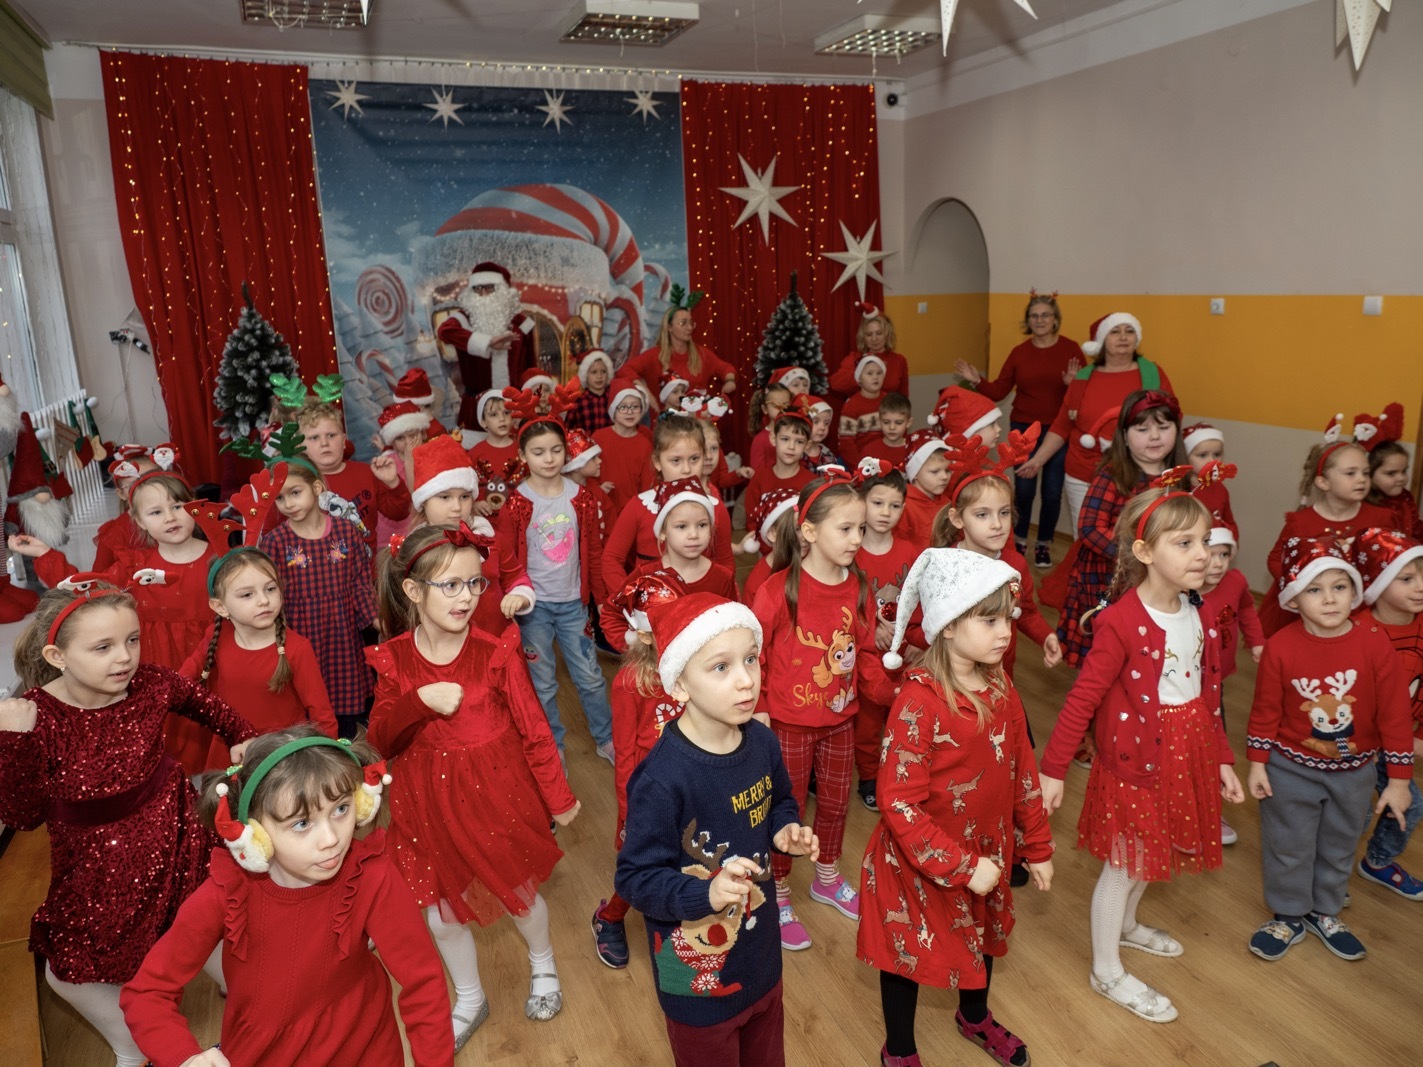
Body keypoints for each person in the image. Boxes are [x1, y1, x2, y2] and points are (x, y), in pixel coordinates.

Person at [0, 582, 255, 1067]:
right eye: (103, 647)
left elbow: (204, 704)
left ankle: (256, 1004)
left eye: (132, 640)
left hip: (176, 836)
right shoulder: (38, 717)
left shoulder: (150, 683)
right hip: (98, 870)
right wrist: (12, 742)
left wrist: (242, 735)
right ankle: (130, 1043)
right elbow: (22, 816)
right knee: (68, 971)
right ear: (57, 656)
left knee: (206, 922)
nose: (125, 657)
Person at [119, 726, 454, 1065]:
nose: (331, 838)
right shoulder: (226, 893)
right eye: (302, 824)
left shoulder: (371, 876)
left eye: (341, 809)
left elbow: (424, 985)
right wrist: (184, 1057)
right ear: (255, 834)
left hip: (366, 1049)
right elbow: (146, 993)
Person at [370, 524, 580, 1044]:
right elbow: (381, 739)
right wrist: (419, 702)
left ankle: (543, 962)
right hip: (425, 804)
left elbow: (534, 729)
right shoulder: (395, 659)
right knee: (441, 913)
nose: (466, 597)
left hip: (495, 796)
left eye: (474, 583)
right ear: (413, 590)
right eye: (451, 585)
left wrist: (558, 797)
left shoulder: (495, 651)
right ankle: (469, 996)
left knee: (520, 895)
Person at [1040, 489, 1243, 1024]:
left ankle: (1128, 928)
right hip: (1136, 759)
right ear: (1146, 552)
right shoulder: (1121, 622)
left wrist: (1222, 757)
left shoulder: (1197, 609)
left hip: (1187, 749)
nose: (1203, 554)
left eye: (1205, 540)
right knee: (1126, 863)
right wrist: (1053, 770)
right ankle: (1106, 971)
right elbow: (1082, 698)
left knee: (1157, 846)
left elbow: (1209, 692)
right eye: (1185, 543)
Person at [863, 549, 1055, 1067]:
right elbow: (898, 803)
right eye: (989, 621)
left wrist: (1036, 846)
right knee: (905, 952)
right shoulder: (918, 701)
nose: (1005, 633)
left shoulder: (1001, 685)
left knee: (982, 935)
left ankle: (974, 1016)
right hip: (920, 860)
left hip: (986, 849)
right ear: (948, 625)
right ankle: (899, 1049)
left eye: (1007, 619)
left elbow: (1022, 770)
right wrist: (964, 867)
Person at [615, 592, 817, 1067]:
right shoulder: (661, 780)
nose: (746, 679)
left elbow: (781, 800)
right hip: (697, 984)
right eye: (721, 667)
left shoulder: (762, 742)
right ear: (680, 685)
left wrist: (784, 828)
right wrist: (704, 893)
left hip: (761, 959)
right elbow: (634, 878)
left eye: (750, 659)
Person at [1245, 538, 1413, 962]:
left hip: (1355, 772)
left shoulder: (1374, 643)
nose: (1329, 598)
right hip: (1289, 768)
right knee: (1288, 844)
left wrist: (1398, 781)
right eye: (1315, 589)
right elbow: (1265, 711)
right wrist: (1258, 764)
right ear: (1293, 599)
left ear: (1354, 592)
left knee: (1339, 844)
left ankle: (1324, 911)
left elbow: (1395, 714)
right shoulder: (1281, 646)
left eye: (1340, 587)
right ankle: (1288, 915)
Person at [752, 476, 895, 950]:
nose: (857, 539)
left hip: (840, 720)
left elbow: (866, 652)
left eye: (861, 529)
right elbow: (755, 655)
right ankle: (778, 892)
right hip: (787, 726)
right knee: (786, 810)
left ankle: (827, 877)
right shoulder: (778, 590)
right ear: (809, 531)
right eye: (846, 528)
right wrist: (759, 708)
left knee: (835, 804)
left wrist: (891, 694)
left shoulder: (858, 586)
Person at [12, 464, 226, 772]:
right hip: (156, 666)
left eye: (178, 506)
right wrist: (45, 552)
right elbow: (86, 589)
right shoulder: (134, 567)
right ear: (138, 520)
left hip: (212, 663)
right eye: (156, 512)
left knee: (212, 731)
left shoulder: (220, 559)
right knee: (166, 745)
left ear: (194, 507)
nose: (170, 517)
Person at [497, 414, 616, 760]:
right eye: (538, 452)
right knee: (543, 683)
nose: (548, 459)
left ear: (566, 452)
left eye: (555, 450)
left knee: (590, 677)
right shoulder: (517, 503)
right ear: (523, 456)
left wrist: (601, 599)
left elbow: (593, 553)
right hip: (532, 609)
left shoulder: (582, 498)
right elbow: (506, 559)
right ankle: (553, 745)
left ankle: (606, 738)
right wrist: (510, 599)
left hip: (573, 606)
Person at [592, 571, 687, 970]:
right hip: (649, 792)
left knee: (687, 859)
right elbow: (626, 754)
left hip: (691, 784)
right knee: (644, 865)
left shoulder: (693, 668)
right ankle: (610, 916)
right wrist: (628, 809)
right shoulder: (630, 682)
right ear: (645, 635)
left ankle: (684, 927)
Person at [1057, 390, 1183, 668]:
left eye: (1163, 427)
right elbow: (1090, 527)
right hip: (1108, 580)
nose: (1154, 436)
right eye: (1143, 429)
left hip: (1160, 581)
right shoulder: (1113, 475)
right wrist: (1137, 555)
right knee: (1108, 654)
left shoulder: (1180, 479)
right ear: (1124, 436)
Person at [1017, 313, 1176, 533]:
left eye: (1129, 331)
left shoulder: (1153, 374)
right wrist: (1038, 460)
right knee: (1086, 537)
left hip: (1138, 475)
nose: (1123, 337)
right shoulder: (1083, 377)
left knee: (1137, 536)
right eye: (1115, 331)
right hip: (1083, 474)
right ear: (1101, 340)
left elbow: (1172, 421)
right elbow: (1062, 425)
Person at [956, 293, 1082, 568]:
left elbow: (1083, 396)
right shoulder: (1019, 352)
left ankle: (1044, 544)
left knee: (1052, 492)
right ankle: (1019, 539)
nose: (1039, 320)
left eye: (1045, 315)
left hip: (1058, 431)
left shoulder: (1070, 349)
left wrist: (1072, 384)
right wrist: (976, 380)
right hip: (1023, 430)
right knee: (1023, 492)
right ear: (1028, 321)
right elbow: (999, 390)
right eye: (1034, 316)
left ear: (1055, 319)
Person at [183, 545, 338, 769]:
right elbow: (186, 674)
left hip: (280, 754)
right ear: (220, 607)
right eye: (247, 594)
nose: (264, 600)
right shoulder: (217, 636)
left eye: (270, 589)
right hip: (230, 749)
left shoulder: (297, 648)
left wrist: (327, 762)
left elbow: (322, 714)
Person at [259, 459, 378, 737]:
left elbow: (360, 584)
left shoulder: (346, 531)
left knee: (348, 717)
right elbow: (271, 595)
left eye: (295, 492)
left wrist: (376, 620)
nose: (288, 503)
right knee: (307, 711)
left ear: (316, 488)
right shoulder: (275, 542)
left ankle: (348, 756)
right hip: (301, 639)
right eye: (280, 498)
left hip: (343, 639)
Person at [934, 427, 1063, 681]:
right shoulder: (944, 565)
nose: (997, 524)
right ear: (958, 519)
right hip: (953, 675)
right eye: (982, 514)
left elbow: (1026, 611)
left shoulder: (1014, 565)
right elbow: (922, 624)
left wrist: (1046, 636)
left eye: (1004, 513)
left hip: (1000, 672)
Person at [1259, 420, 1394, 638]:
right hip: (1311, 608)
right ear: (1323, 483)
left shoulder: (1380, 519)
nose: (1361, 479)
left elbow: (1391, 564)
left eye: (1365, 473)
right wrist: (1302, 586)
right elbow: (1276, 559)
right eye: (1350, 473)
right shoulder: (1301, 522)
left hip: (1359, 608)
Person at [1349, 528, 1423, 899]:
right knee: (1354, 814)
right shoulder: (1357, 632)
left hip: (1396, 744)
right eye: (1406, 579)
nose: (1420, 587)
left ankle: (1377, 862)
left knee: (1411, 805)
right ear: (1377, 584)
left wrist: (1417, 738)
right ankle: (1327, 870)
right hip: (1356, 745)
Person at [602, 414, 733, 596]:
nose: (687, 469)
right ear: (657, 462)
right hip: (651, 608)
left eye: (694, 459)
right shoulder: (639, 506)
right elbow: (611, 559)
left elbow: (726, 563)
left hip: (702, 605)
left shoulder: (715, 507)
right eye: (676, 460)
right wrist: (630, 599)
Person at [854, 464, 919, 811]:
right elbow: (843, 607)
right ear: (862, 502)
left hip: (904, 653)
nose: (885, 512)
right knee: (867, 724)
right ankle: (868, 776)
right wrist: (872, 629)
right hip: (866, 655)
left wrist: (915, 640)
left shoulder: (910, 552)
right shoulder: (851, 552)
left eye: (894, 506)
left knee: (903, 716)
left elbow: (921, 602)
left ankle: (900, 773)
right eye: (877, 503)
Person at [1198, 523, 1263, 847]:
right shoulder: (1180, 590)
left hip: (1214, 684)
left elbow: (1247, 609)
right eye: (1210, 555)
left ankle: (1210, 808)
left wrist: (1257, 641)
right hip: (1175, 687)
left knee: (1215, 745)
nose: (1218, 563)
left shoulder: (1235, 582)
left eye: (1224, 555)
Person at [295, 396, 411, 553]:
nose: (324, 443)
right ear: (301, 445)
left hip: (367, 565)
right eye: (314, 438)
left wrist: (393, 483)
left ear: (344, 440)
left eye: (331, 435)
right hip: (319, 565)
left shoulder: (366, 473)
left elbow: (399, 513)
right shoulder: (298, 484)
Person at [437, 261, 537, 426]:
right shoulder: (463, 319)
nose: (483, 294)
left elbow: (531, 368)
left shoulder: (521, 324)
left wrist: (530, 403)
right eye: (477, 288)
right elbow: (444, 331)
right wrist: (487, 342)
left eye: (489, 288)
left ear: (503, 291)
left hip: (515, 407)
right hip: (476, 407)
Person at [616, 289, 738, 405]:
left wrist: (729, 381)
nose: (689, 327)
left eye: (691, 323)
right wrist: (645, 391)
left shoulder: (701, 354)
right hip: (665, 419)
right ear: (669, 327)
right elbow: (625, 371)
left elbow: (726, 369)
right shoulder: (654, 355)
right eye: (683, 323)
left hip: (696, 419)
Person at [741, 407, 815, 530]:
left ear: (807, 445)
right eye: (785, 439)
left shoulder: (812, 483)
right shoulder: (759, 477)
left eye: (799, 442)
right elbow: (751, 520)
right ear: (773, 439)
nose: (791, 446)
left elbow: (813, 524)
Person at [1358, 402, 1423, 539]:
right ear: (1369, 473)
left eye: (1404, 471)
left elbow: (1416, 529)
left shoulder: (1405, 498)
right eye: (1391, 473)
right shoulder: (1363, 505)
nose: (1401, 478)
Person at [594, 384, 655, 513]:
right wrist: (597, 489)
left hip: (632, 511)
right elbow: (586, 474)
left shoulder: (645, 445)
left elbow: (647, 486)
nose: (629, 412)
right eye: (623, 407)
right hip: (601, 508)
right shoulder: (599, 438)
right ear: (614, 410)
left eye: (635, 406)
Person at [93, 449, 157, 569]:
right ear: (121, 493)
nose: (145, 489)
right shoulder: (114, 533)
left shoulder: (177, 517)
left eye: (153, 480)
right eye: (134, 485)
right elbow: (98, 576)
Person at [831, 304, 909, 398]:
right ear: (863, 337)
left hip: (888, 406)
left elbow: (903, 397)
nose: (874, 339)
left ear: (887, 334)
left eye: (879, 333)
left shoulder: (899, 360)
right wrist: (861, 374)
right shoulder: (855, 358)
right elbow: (835, 384)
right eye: (869, 334)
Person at [738, 487, 799, 604]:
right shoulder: (759, 582)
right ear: (772, 534)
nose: (805, 536)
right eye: (797, 529)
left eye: (807, 527)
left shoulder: (813, 564)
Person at [897, 430, 953, 549]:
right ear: (915, 473)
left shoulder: (947, 503)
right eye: (935, 471)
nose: (944, 477)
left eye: (948, 470)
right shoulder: (903, 506)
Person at [1181, 423, 1236, 532]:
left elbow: (1230, 523)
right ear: (1186, 457)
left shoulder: (1220, 489)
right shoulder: (1177, 490)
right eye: (1203, 455)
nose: (1212, 461)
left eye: (1217, 454)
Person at [838, 353, 888, 463]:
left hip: (887, 459)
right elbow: (846, 443)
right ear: (859, 379)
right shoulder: (851, 406)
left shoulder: (890, 401)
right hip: (862, 462)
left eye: (879, 373)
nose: (875, 377)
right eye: (869, 373)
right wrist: (859, 467)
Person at [567, 348, 616, 435]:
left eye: (603, 371)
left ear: (609, 373)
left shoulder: (614, 398)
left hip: (611, 443)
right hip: (587, 443)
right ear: (585, 374)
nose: (599, 376)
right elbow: (567, 430)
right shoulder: (577, 402)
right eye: (594, 372)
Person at [746, 381, 792, 471]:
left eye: (785, 405)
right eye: (775, 406)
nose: (781, 409)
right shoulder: (760, 439)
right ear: (765, 409)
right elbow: (757, 472)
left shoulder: (794, 434)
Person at [859, 393, 913, 470]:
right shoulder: (869, 451)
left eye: (898, 423)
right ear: (879, 421)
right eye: (886, 422)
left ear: (908, 423)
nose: (892, 427)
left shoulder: (913, 451)